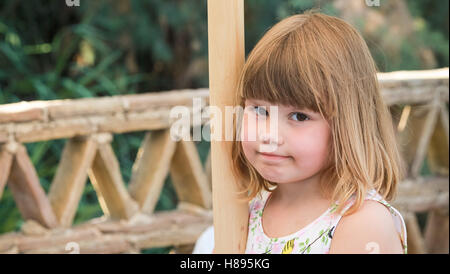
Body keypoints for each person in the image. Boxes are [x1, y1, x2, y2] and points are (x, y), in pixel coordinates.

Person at [194, 9, 407, 254]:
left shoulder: (362, 224)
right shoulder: (250, 207)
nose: (269, 135)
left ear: (347, 126)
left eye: (299, 116)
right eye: (260, 111)